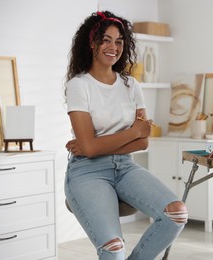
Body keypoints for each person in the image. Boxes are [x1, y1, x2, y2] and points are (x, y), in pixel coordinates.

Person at [64, 11, 188, 260]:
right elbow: (91, 150)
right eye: (106, 39)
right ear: (92, 42)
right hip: (87, 172)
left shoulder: (131, 85)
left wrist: (97, 145)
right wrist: (131, 132)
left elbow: (143, 142)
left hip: (125, 167)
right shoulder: (79, 85)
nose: (113, 47)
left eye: (119, 41)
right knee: (113, 247)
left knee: (176, 212)